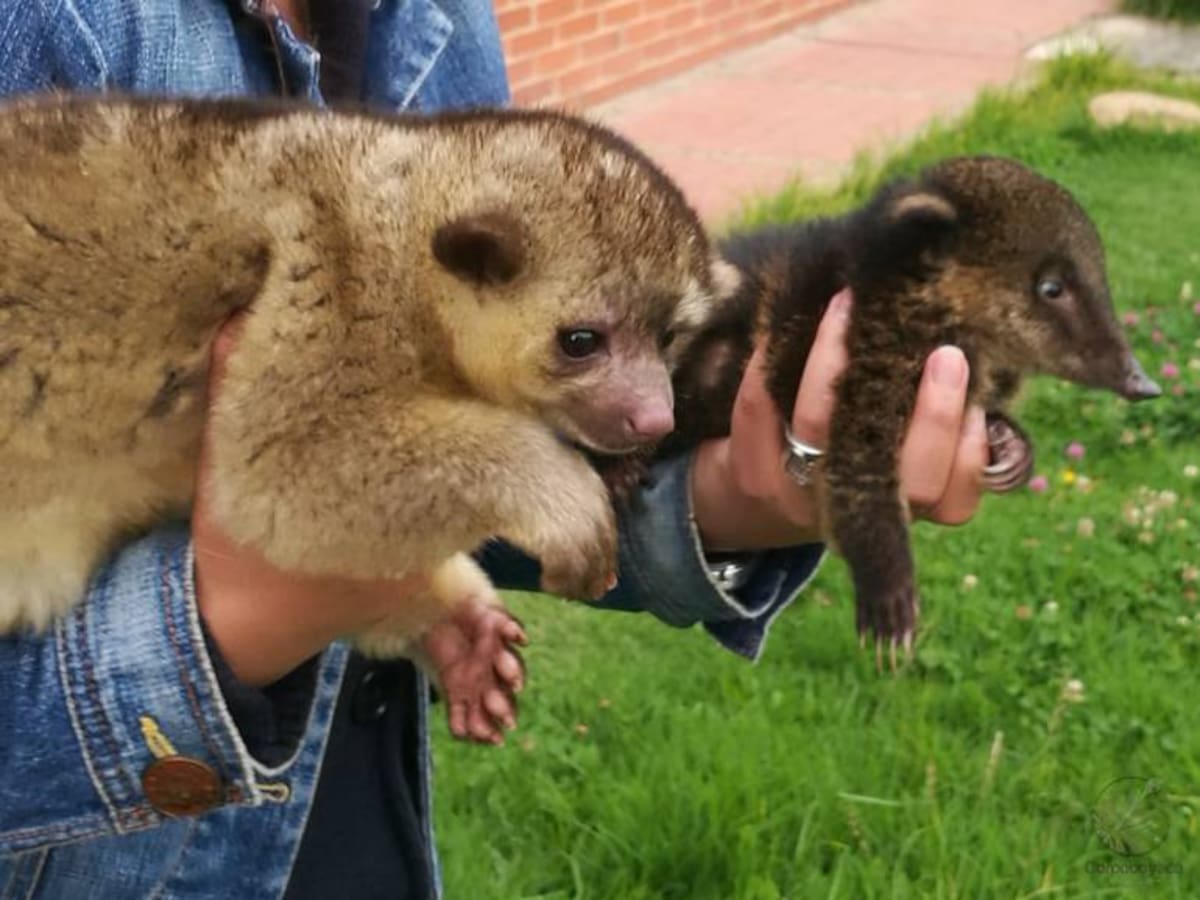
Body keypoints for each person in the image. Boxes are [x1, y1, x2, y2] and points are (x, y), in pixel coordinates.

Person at [0, 1, 987, 897]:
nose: (646, 412)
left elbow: (400, 456)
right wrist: (517, 486)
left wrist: (737, 495)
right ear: (469, 267)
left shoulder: (431, 25)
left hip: (340, 827)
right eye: (583, 345)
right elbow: (298, 494)